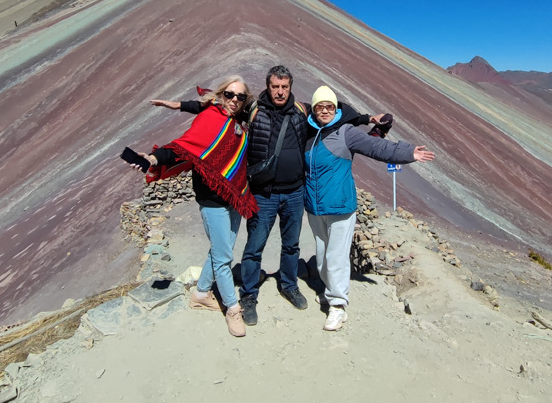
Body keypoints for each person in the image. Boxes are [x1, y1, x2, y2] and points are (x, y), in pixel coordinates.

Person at [151, 65, 382, 326]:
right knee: (254, 247)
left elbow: (338, 111)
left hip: (294, 192)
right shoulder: (252, 108)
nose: (280, 91)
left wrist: (367, 118)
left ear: (290, 87)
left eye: (284, 87)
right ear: (268, 86)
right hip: (263, 194)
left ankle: (289, 286)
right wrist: (180, 106)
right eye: (275, 87)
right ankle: (249, 295)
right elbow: (217, 105)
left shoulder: (303, 111)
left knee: (291, 245)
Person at [128, 76, 258, 337]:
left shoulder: (239, 120)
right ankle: (232, 309)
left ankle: (200, 294)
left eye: (240, 96)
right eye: (229, 94)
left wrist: (181, 105)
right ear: (221, 95)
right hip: (212, 201)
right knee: (224, 257)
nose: (234, 100)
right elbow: (182, 147)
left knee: (220, 251)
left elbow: (205, 104)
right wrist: (153, 158)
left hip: (233, 196)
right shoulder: (210, 118)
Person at [304, 86, 434, 331]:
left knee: (336, 257)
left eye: (330, 106)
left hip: (341, 206)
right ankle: (330, 291)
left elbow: (376, 147)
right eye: (320, 106)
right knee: (322, 257)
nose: (325, 111)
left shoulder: (345, 132)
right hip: (314, 207)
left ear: (336, 108)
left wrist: (408, 152)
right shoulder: (308, 134)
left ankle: (338, 306)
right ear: (314, 109)